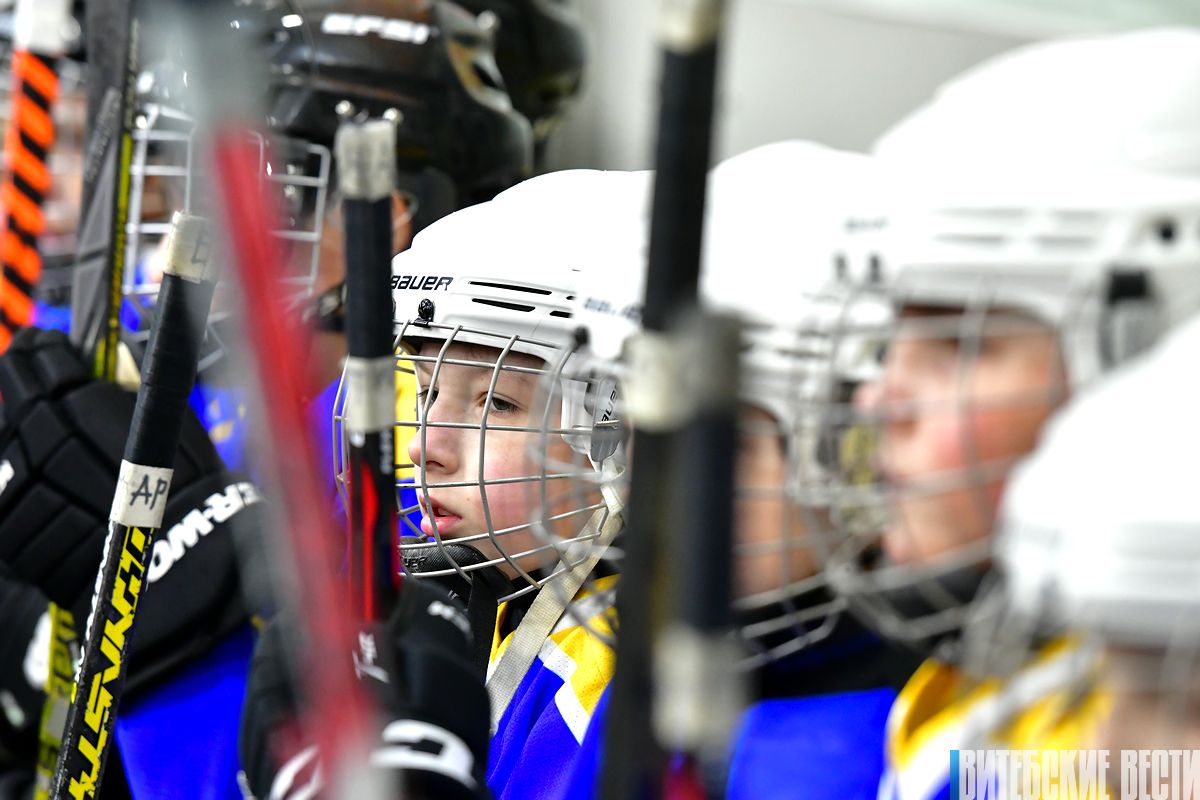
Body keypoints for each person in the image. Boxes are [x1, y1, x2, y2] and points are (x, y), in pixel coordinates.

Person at [809, 28, 1200, 799]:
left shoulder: (1140, 760)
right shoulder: (974, 687)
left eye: (960, 344)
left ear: (1156, 354)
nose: (878, 398)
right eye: (891, 341)